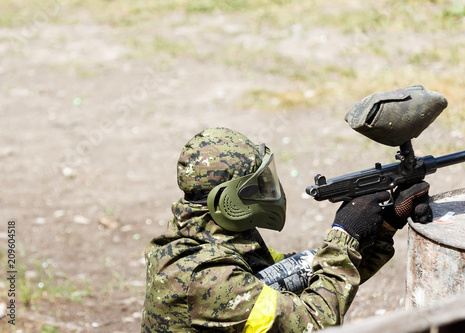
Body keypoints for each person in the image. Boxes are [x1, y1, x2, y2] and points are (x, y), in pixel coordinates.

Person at [141, 127, 431, 332]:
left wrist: (385, 223)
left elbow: (307, 276)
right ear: (229, 199)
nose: (269, 191)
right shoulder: (208, 279)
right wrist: (343, 237)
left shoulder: (211, 236)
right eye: (258, 186)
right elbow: (315, 323)